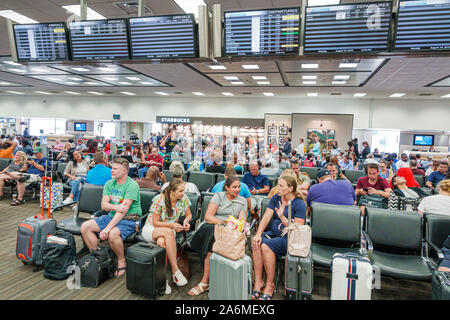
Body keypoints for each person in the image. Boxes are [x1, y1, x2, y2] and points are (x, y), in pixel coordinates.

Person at [80, 158, 142, 278]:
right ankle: (99, 257)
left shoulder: (132, 185)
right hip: (112, 216)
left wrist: (107, 228)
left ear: (124, 171)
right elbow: (104, 205)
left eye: (115, 169)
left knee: (112, 234)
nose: (111, 171)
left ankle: (121, 260)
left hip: (130, 219)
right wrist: (117, 207)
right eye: (112, 168)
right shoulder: (109, 183)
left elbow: (122, 212)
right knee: (85, 227)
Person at [188, 176, 248, 296]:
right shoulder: (219, 196)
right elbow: (208, 216)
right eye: (234, 187)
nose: (238, 189)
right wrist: (222, 223)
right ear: (227, 187)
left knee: (214, 240)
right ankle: (205, 281)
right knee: (213, 234)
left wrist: (231, 227)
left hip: (230, 231)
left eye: (239, 187)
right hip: (214, 225)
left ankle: (205, 282)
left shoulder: (242, 200)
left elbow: (242, 221)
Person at [251, 175, 306, 300]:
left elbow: (297, 230)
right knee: (256, 242)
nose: (277, 188)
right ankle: (258, 281)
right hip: (275, 234)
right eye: (278, 185)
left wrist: (282, 217)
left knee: (265, 246)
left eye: (281, 186)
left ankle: (270, 285)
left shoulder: (299, 203)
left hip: (290, 239)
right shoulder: (276, 197)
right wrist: (259, 233)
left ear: (291, 188)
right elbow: (266, 216)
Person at [142, 179, 192, 293]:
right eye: (181, 191)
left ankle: (162, 279)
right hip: (152, 229)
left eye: (184, 190)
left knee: (162, 242)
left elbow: (189, 214)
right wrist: (172, 225)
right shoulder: (160, 199)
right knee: (168, 233)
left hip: (169, 230)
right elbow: (155, 222)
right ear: (172, 191)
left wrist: (186, 221)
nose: (183, 193)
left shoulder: (183, 199)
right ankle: (175, 270)